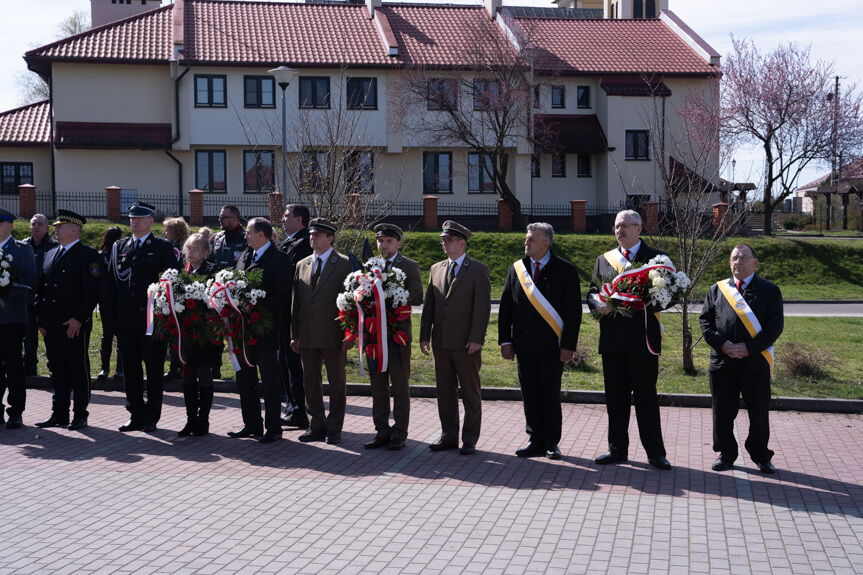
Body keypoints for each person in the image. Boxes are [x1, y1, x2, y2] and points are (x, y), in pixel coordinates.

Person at [586, 209, 672, 470]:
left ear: (639, 229)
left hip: (642, 340)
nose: (619, 231)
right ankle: (617, 449)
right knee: (615, 399)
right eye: (616, 226)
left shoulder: (656, 259)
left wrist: (644, 301)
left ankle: (655, 453)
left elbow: (670, 295)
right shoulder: (604, 259)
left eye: (625, 226)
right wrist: (596, 305)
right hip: (612, 341)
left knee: (646, 398)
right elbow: (592, 292)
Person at [499, 223, 582, 460]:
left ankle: (551, 442)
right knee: (530, 395)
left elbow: (573, 312)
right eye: (526, 239)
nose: (526, 243)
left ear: (546, 244)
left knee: (549, 394)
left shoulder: (565, 270)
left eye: (531, 240)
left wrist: (568, 345)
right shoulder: (517, 269)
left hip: (551, 347)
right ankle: (534, 438)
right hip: (524, 345)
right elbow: (506, 308)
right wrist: (505, 341)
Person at [700, 244, 784, 474]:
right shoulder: (716, 290)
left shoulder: (769, 291)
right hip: (722, 361)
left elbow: (774, 328)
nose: (738, 262)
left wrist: (748, 348)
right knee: (722, 410)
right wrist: (723, 345)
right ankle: (725, 453)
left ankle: (760, 455)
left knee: (758, 411)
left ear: (755, 263)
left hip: (754, 361)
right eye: (734, 258)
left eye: (743, 258)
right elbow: (705, 323)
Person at [105, 202, 180, 432]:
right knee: (130, 369)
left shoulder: (162, 247)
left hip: (153, 321)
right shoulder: (120, 247)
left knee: (154, 369)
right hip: (126, 319)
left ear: (150, 221)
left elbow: (173, 283)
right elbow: (110, 286)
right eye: (131, 218)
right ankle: (135, 413)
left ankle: (151, 416)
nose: (134, 222)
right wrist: (110, 320)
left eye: (139, 218)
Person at [419, 220, 491, 455]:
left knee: (470, 393)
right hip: (441, 342)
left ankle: (469, 439)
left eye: (448, 240)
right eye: (443, 240)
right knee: (444, 391)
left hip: (466, 344)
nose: (444, 243)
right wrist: (424, 336)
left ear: (462, 243)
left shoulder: (478, 269)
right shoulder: (436, 268)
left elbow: (482, 308)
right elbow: (429, 304)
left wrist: (476, 338)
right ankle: (449, 436)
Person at [34, 210, 102, 431]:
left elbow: (92, 293)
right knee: (57, 370)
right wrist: (40, 319)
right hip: (52, 324)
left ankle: (80, 414)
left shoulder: (88, 255)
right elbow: (42, 288)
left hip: (73, 325)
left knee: (77, 369)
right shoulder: (52, 253)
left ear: (74, 229)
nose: (56, 230)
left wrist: (78, 318)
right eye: (55, 226)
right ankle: (59, 413)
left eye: (60, 227)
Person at [290, 218, 353, 445]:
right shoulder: (302, 264)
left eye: (317, 235)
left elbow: (351, 304)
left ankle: (334, 427)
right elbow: (296, 303)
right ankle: (316, 425)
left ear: (330, 238)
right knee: (310, 382)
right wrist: (294, 334)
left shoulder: (345, 264)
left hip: (334, 334)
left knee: (337, 383)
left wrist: (350, 334)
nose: (312, 238)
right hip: (307, 333)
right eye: (311, 234)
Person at [228, 218, 292, 443]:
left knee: (270, 381)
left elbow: (282, 296)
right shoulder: (245, 255)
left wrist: (256, 308)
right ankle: (252, 423)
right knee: (245, 379)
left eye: (248, 232)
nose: (245, 236)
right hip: (242, 330)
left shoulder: (280, 260)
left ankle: (273, 427)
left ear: (262, 234)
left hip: (265, 329)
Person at [364, 223, 423, 451]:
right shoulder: (370, 265)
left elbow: (417, 296)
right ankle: (381, 431)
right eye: (380, 241)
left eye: (388, 241)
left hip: (397, 336)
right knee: (378, 387)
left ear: (398, 243)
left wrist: (391, 294)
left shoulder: (409, 265)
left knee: (399, 386)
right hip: (374, 336)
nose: (383, 245)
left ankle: (399, 432)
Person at [178, 233, 221, 437]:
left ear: (206, 252)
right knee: (187, 375)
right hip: (186, 332)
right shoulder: (181, 272)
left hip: (205, 332)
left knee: (203, 373)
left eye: (195, 249)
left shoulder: (213, 271)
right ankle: (190, 420)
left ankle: (203, 420)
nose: (191, 253)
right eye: (188, 249)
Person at [0, 208, 37, 429]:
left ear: (10, 226)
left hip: (12, 317)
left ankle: (16, 411)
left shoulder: (22, 250)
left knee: (13, 365)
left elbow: (28, 280)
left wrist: (3, 290)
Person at [276, 203, 313, 429]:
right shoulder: (290, 242)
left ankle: (298, 409)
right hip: (283, 311)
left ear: (299, 220)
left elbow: (289, 274)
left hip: (291, 312)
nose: (283, 219)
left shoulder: (301, 244)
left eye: (287, 215)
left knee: (291, 362)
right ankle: (291, 407)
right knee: (284, 361)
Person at [23, 213, 58, 376]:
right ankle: (29, 367)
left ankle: (54, 368)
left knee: (50, 336)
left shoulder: (54, 246)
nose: (35, 227)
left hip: (47, 300)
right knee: (29, 338)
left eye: (39, 224)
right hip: (27, 299)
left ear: (47, 227)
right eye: (33, 224)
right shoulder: (23, 246)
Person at [97, 227, 124, 381]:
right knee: (107, 333)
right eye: (120, 238)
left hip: (120, 299)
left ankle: (120, 369)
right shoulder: (101, 256)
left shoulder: (123, 255)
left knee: (121, 333)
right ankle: (104, 367)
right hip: (106, 300)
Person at [208, 205, 247, 270]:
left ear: (234, 220)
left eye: (223, 217)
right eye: (219, 217)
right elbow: (208, 261)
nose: (219, 220)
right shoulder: (215, 238)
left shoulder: (246, 239)